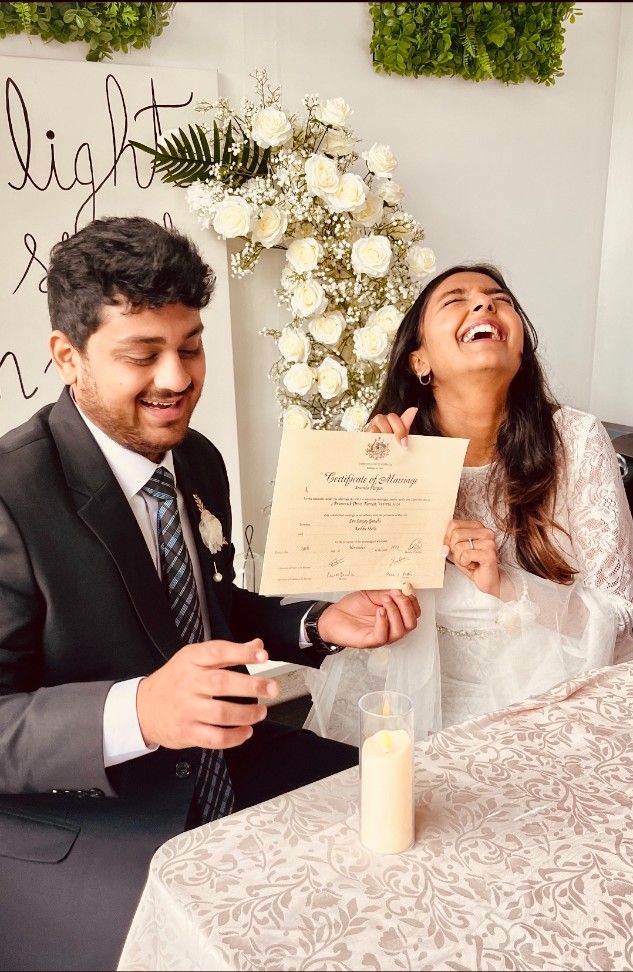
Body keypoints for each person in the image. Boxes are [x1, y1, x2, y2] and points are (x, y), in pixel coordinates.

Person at [0, 216, 419, 972]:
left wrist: (320, 621)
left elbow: (205, 610)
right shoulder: (8, 496)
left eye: (189, 346)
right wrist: (139, 710)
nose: (176, 378)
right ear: (68, 357)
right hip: (91, 823)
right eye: (142, 355)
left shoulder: (194, 457)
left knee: (402, 832)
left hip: (235, 759)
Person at [305, 264, 633, 744]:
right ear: (418, 361)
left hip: (558, 697)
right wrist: (371, 485)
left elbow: (615, 614)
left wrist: (506, 584)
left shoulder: (578, 439)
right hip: (415, 703)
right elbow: (357, 606)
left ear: (521, 347)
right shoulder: (390, 453)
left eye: (499, 298)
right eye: (455, 300)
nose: (485, 304)